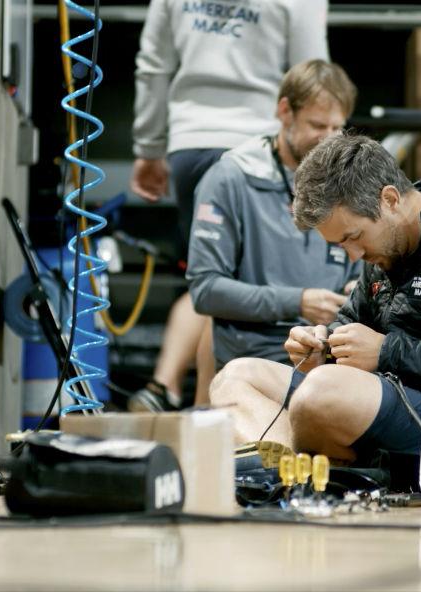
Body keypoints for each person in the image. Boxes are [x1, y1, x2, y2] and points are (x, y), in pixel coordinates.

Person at [209, 133, 421, 460]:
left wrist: (388, 352)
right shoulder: (382, 249)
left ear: (390, 200)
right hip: (386, 399)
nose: (352, 255)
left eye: (354, 237)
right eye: (340, 245)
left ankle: (303, 467)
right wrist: (325, 343)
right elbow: (353, 321)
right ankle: (288, 477)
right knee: (235, 377)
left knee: (319, 394)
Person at [129, 0, 330, 411]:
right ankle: (204, 412)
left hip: (191, 142)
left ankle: (172, 391)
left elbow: (153, 65)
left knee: (214, 283)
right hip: (259, 148)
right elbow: (314, 77)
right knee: (223, 289)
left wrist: (149, 147)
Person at [186, 59, 360, 375]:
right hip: (256, 355)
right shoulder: (230, 178)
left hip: (333, 352)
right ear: (284, 112)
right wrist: (297, 302)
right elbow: (205, 290)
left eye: (338, 128)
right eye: (318, 126)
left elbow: (365, 265)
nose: (329, 139)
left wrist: (358, 289)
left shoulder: (345, 179)